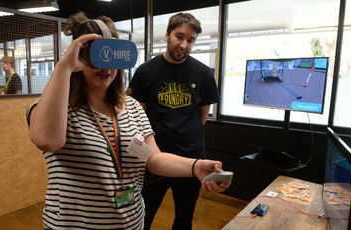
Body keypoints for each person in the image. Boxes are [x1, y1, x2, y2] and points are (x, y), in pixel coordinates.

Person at [26, 12, 228, 230]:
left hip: (131, 223)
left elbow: (153, 160)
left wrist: (195, 166)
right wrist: (64, 66)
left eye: (111, 58)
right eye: (94, 59)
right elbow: (47, 141)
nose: (104, 68)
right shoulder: (57, 108)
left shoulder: (131, 108)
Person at [128, 12, 220, 230]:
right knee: (143, 215)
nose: (184, 44)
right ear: (167, 35)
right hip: (153, 159)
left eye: (190, 40)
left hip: (190, 161)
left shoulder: (204, 73)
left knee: (184, 219)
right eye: (179, 37)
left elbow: (202, 117)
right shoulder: (145, 72)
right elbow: (136, 121)